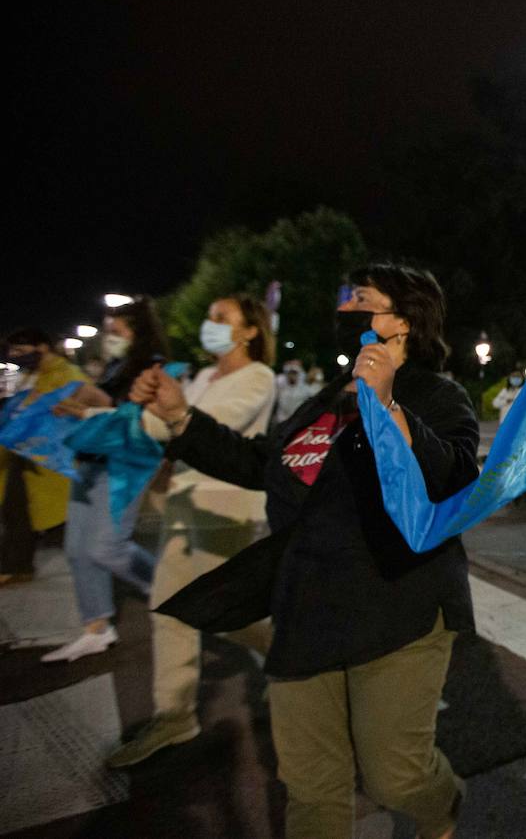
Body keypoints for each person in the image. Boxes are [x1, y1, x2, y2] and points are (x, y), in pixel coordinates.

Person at [133, 263, 478, 839]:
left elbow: (457, 477)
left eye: (361, 299)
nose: (344, 309)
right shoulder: (321, 401)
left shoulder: (435, 393)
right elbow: (260, 464)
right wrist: (179, 417)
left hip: (398, 608)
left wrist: (389, 406)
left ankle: (440, 809)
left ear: (401, 322)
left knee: (394, 776)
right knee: (312, 787)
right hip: (305, 607)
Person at [106, 294, 278, 768]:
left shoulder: (258, 377)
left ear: (249, 332)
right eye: (210, 315)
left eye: (222, 318)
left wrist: (166, 412)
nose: (211, 324)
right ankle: (175, 714)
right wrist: (137, 409)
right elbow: (161, 429)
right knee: (169, 607)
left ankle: (294, 650)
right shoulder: (203, 376)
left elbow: (212, 429)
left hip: (225, 507)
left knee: (224, 611)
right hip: (185, 503)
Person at [41, 298, 167, 663]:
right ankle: (95, 629)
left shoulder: (154, 367)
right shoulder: (116, 366)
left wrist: (93, 405)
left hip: (126, 463)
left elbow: (141, 419)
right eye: (108, 329)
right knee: (78, 548)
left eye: (117, 330)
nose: (110, 336)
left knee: (106, 547)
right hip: (92, 460)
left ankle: (169, 587)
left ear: (138, 330)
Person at [0, 328, 88, 586]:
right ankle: (17, 564)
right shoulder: (30, 375)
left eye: (20, 350)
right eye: (12, 351)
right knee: (16, 509)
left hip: (49, 454)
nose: (15, 355)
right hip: (25, 452)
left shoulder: (68, 375)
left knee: (48, 514)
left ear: (42, 347)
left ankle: (18, 564)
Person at [274, 359, 314, 425]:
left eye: (294, 373)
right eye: (290, 373)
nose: (292, 375)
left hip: (297, 421)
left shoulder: (305, 388)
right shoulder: (280, 384)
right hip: (281, 420)